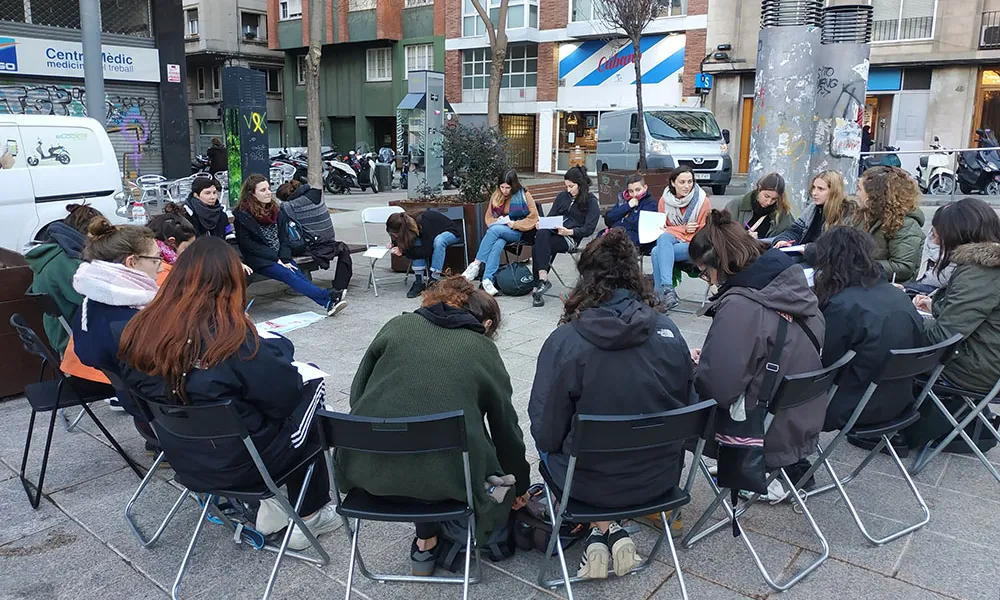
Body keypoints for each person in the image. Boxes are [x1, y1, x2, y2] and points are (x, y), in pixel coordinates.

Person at [119, 236, 339, 551]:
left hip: (185, 457)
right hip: (245, 464)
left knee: (259, 402)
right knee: (312, 393)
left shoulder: (140, 330)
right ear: (230, 283)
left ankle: (277, 505)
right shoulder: (232, 342)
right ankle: (311, 515)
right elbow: (285, 396)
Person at [335, 276, 530, 576]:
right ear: (487, 325)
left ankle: (425, 543)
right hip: (450, 481)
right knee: (455, 453)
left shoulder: (397, 326)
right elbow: (506, 430)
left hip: (364, 470)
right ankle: (460, 535)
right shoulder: (481, 349)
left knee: (414, 437)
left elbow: (356, 395)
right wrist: (522, 484)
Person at [529, 228, 695, 579]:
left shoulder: (566, 342)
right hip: (658, 481)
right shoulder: (669, 331)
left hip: (586, 484)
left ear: (586, 281)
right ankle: (609, 528)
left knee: (549, 445)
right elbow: (687, 406)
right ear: (635, 278)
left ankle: (599, 525)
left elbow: (545, 432)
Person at [689, 209, 826, 490]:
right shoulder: (794, 285)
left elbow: (717, 387)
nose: (708, 281)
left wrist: (697, 368)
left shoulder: (740, 304)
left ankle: (658, 496)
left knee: (667, 395)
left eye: (703, 273)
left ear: (719, 263)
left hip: (762, 429)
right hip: (803, 416)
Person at [809, 227, 925, 435]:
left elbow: (823, 365)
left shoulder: (842, 305)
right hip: (901, 402)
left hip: (852, 407)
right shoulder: (899, 296)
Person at [907, 198, 1000, 450]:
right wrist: (935, 306)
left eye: (939, 236)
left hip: (975, 368)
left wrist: (906, 315)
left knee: (891, 349)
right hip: (987, 358)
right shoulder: (987, 264)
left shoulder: (979, 270)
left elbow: (942, 337)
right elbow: (979, 315)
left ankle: (891, 429)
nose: (936, 242)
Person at [70, 217, 161, 445]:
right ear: (132, 262)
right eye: (156, 259)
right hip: (165, 410)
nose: (161, 264)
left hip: (137, 404)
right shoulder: (129, 320)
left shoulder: (91, 302)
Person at [234, 174, 346, 316]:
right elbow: (248, 245)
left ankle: (328, 303)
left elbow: (284, 238)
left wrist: (285, 259)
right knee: (288, 275)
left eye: (269, 188)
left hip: (279, 255)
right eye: (263, 190)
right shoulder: (243, 215)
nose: (268, 192)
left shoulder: (276, 210)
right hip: (258, 258)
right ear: (252, 194)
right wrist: (276, 259)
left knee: (296, 274)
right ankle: (329, 294)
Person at [24, 203, 104, 356]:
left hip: (61, 333)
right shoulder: (67, 263)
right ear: (90, 235)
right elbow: (96, 300)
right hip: (73, 341)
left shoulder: (52, 252)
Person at [460, 169, 539, 296]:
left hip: (518, 231)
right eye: (502, 187)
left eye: (508, 187)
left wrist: (515, 224)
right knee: (497, 243)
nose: (504, 190)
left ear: (514, 185)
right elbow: (489, 217)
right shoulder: (496, 195)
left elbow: (533, 217)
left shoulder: (524, 194)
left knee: (494, 230)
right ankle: (487, 280)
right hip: (500, 230)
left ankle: (476, 264)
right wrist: (499, 220)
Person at [531, 166, 600, 308]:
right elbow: (551, 216)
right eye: (567, 186)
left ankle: (538, 284)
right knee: (541, 234)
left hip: (570, 237)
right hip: (553, 232)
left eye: (571, 186)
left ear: (580, 185)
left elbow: (589, 228)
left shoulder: (591, 202)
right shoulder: (562, 196)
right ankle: (542, 279)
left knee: (540, 241)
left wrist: (569, 232)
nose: (568, 190)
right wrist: (542, 223)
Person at [276, 179, 353, 299]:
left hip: (316, 245)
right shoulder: (317, 195)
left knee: (283, 244)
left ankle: (301, 283)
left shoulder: (289, 206)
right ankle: (339, 285)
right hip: (330, 241)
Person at [650, 166, 711, 310]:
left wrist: (678, 232)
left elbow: (704, 231)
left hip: (696, 244)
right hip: (672, 241)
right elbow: (661, 228)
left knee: (656, 252)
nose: (687, 186)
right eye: (682, 182)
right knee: (663, 239)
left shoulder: (702, 201)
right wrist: (683, 229)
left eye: (690, 182)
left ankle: (662, 295)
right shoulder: (664, 201)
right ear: (673, 183)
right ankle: (667, 292)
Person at [855, 166, 925, 283]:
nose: (856, 194)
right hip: (872, 280)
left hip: (895, 287)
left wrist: (860, 266)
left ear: (874, 194)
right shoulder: (868, 214)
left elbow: (903, 267)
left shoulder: (905, 224)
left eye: (859, 189)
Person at [385, 209, 462, 298]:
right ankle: (419, 282)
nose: (396, 237)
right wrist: (395, 244)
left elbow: (426, 251)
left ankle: (434, 280)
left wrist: (403, 252)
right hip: (430, 236)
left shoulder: (424, 223)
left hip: (451, 233)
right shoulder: (409, 225)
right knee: (417, 243)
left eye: (396, 234)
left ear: (402, 230)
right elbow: (410, 242)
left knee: (439, 241)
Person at [773, 170, 858, 249]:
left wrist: (809, 249)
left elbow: (836, 246)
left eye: (820, 189)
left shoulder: (847, 212)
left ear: (834, 191)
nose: (814, 193)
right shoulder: (812, 208)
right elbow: (795, 230)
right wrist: (783, 240)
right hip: (803, 253)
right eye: (814, 187)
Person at [724, 172, 794, 242]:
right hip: (737, 251)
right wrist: (744, 237)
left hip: (766, 252)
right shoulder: (736, 205)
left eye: (774, 199)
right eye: (766, 196)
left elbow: (792, 235)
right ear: (759, 189)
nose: (769, 202)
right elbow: (721, 232)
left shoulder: (783, 214)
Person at [602, 173, 659, 250]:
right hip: (620, 234)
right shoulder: (624, 200)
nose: (634, 194)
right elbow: (608, 219)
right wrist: (628, 206)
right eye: (631, 191)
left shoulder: (650, 203)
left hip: (637, 239)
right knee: (597, 242)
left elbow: (637, 224)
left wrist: (617, 224)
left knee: (610, 247)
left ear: (645, 188)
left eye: (638, 190)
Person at [147, 203, 197, 286]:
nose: (192, 253)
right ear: (172, 242)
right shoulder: (161, 271)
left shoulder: (157, 260)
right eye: (187, 247)